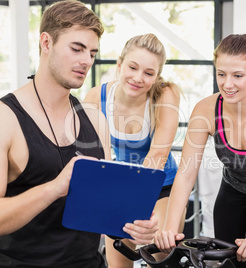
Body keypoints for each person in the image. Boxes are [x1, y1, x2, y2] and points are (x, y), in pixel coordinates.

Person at [0, 1, 157, 267]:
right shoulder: (6, 118)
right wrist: (53, 188)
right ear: (46, 43)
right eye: (77, 48)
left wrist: (134, 225)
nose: (86, 61)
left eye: (92, 53)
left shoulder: (95, 119)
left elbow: (106, 213)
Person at [153, 34, 246, 268]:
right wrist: (170, 232)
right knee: (228, 260)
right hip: (235, 189)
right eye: (221, 74)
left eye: (238, 75)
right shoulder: (205, 110)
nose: (228, 84)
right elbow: (185, 175)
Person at [84, 33, 184, 267]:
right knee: (118, 263)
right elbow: (100, 159)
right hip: (121, 188)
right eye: (132, 67)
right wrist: (113, 205)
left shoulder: (165, 94)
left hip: (163, 187)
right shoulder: (96, 98)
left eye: (149, 73)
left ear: (157, 76)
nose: (138, 78)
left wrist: (135, 210)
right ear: (119, 65)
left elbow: (157, 156)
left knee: (159, 258)